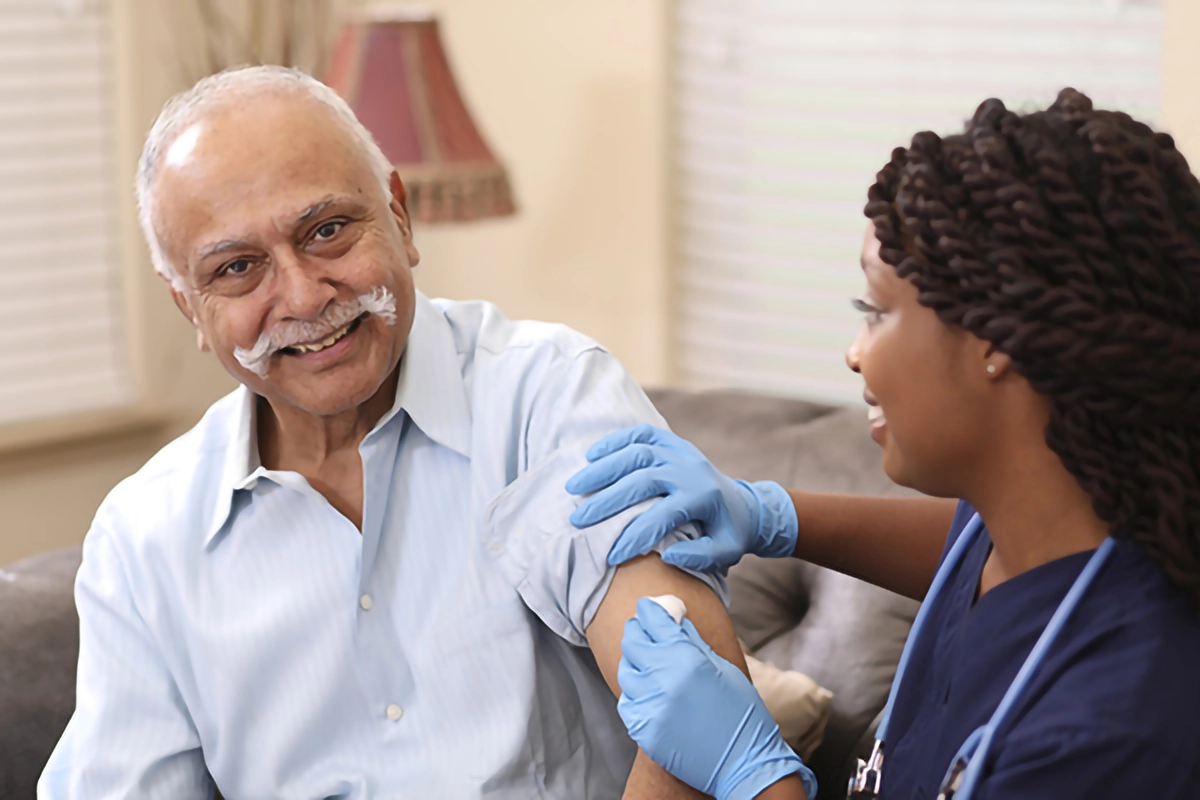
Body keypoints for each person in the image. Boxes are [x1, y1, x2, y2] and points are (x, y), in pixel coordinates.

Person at [37, 65, 812, 800]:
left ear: (400, 219)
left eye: (328, 229)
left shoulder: (547, 395)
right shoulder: (144, 540)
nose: (304, 295)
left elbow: (688, 724)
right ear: (190, 310)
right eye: (238, 268)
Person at [568, 89, 1200, 799]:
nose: (855, 353)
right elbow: (970, 554)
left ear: (995, 341)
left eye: (875, 311)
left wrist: (756, 777)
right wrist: (773, 516)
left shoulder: (1105, 736)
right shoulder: (1039, 531)